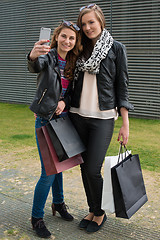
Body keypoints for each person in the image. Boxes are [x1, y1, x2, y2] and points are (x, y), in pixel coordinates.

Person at [69, 4, 134, 233]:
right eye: (84, 23)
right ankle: (93, 208)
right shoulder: (78, 48)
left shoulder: (116, 48)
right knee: (84, 167)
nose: (87, 27)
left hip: (103, 118)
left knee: (93, 168)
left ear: (101, 22)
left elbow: (122, 87)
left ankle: (101, 212)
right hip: (77, 115)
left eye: (91, 22)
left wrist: (125, 124)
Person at [27, 20, 82, 238]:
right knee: (48, 172)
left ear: (75, 42)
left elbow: (72, 92)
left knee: (61, 167)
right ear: (56, 37)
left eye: (71, 38)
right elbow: (34, 66)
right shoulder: (47, 56)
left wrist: (64, 103)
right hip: (45, 119)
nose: (67, 41)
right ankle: (36, 218)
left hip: (64, 120)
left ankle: (58, 204)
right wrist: (32, 54)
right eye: (64, 36)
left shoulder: (73, 62)